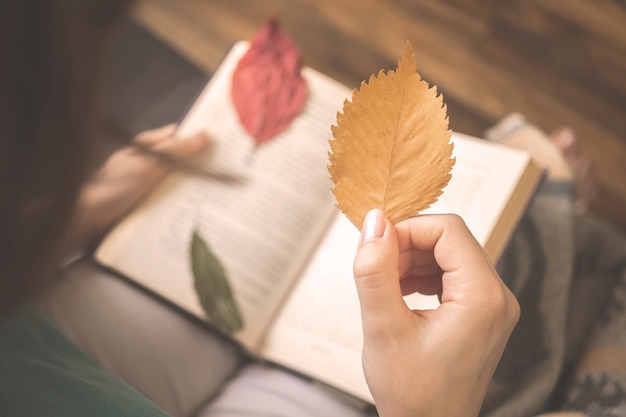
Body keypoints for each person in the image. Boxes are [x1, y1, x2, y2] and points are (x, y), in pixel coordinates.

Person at [1, 1, 625, 417]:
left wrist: (72, 212)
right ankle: (545, 199)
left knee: (196, 301)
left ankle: (543, 196)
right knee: (324, 381)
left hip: (37, 343)